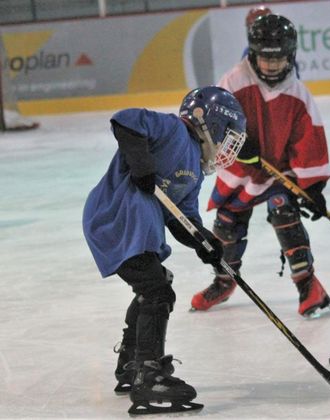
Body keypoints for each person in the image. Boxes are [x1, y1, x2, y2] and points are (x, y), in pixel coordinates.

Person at [82, 86, 246, 415]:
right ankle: (149, 376)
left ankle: (132, 365)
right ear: (209, 123)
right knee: (157, 291)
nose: (228, 148)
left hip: (136, 230)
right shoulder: (173, 130)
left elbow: (182, 218)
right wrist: (141, 163)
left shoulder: (196, 171)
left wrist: (205, 243)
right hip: (116, 219)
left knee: (155, 284)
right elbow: (126, 120)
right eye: (228, 136)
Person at [191, 15, 330, 318]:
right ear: (253, 54)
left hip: (278, 170)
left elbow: (308, 139)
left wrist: (314, 188)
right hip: (241, 169)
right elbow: (212, 125)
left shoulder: (297, 94)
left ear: (290, 55)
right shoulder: (233, 81)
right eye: (264, 58)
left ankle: (308, 285)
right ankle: (224, 279)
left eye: (278, 58)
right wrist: (238, 145)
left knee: (284, 209)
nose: (270, 65)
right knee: (227, 222)